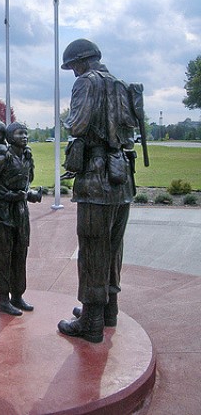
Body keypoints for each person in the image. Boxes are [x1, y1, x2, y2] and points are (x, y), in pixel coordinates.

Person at [57, 39, 138, 343]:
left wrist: (69, 121)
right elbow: (130, 128)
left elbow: (77, 125)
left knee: (93, 250)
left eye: (73, 66)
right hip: (122, 179)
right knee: (113, 248)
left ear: (82, 61)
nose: (73, 72)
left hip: (96, 178)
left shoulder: (85, 83)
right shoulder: (121, 84)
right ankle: (108, 311)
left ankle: (91, 322)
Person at [0, 122, 42, 316]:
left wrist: (29, 194)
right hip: (2, 214)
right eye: (19, 133)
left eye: (26, 132)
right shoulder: (1, 158)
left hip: (20, 213)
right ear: (9, 136)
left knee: (19, 254)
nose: (24, 136)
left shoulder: (27, 157)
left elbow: (25, 183)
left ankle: (17, 295)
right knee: (2, 256)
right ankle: (3, 300)